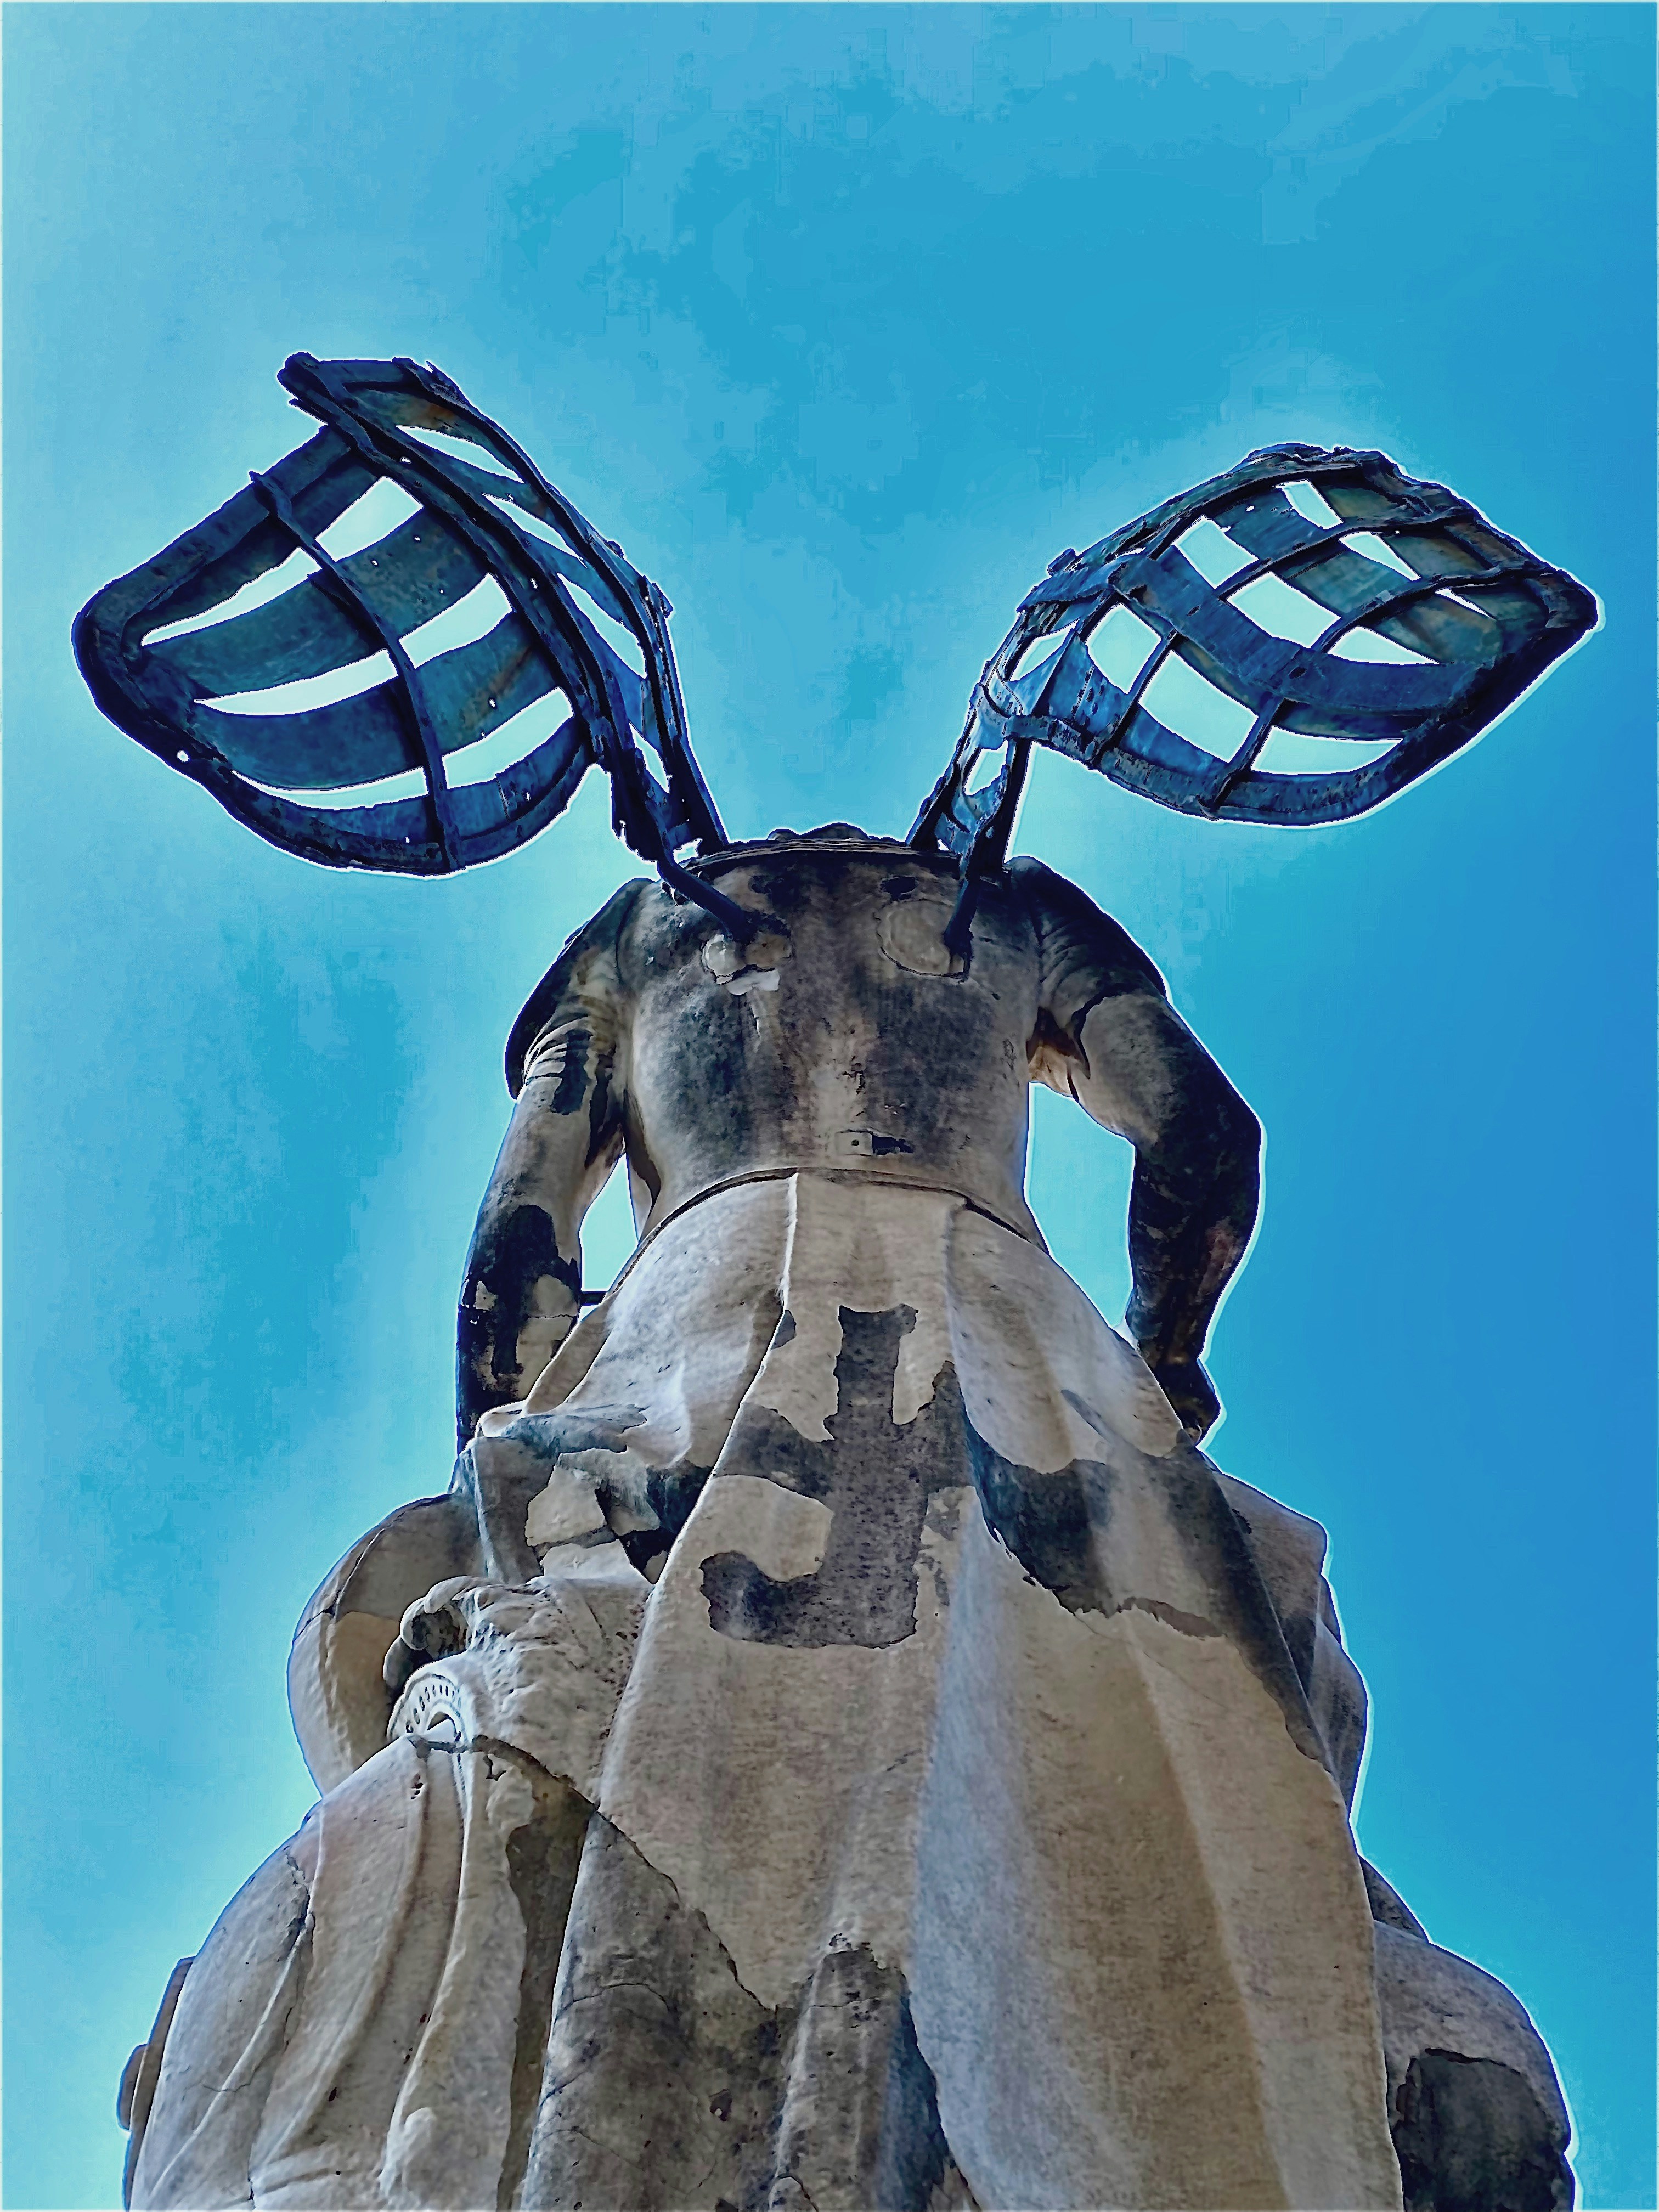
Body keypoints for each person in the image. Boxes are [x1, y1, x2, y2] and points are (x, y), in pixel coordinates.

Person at [122, 828, 1572, 2212]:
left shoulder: (643, 931)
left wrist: (504, 1443)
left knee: (510, 1648)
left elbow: (521, 1237)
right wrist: (1167, 1357)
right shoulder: (1012, 916)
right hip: (1010, 1347)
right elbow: (1203, 1135)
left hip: (708, 1308)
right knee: (1230, 1708)